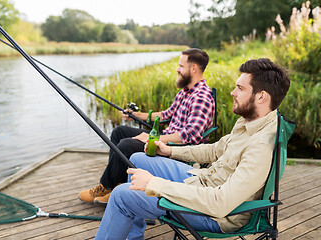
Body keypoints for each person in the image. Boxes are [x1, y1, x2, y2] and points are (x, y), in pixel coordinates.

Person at [94, 58, 291, 239]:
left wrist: (156, 184)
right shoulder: (250, 122)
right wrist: (170, 151)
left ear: (261, 97)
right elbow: (215, 150)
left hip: (214, 215)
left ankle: (128, 210)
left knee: (121, 195)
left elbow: (221, 203)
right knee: (138, 158)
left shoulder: (260, 146)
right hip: (204, 181)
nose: (233, 92)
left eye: (240, 88)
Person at [79, 48, 215, 204]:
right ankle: (117, 184)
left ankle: (106, 186)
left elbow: (191, 135)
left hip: (175, 150)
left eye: (181, 66)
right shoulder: (186, 92)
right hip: (164, 140)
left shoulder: (201, 96)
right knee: (119, 132)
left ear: (193, 68)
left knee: (125, 145)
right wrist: (138, 115)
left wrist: (154, 138)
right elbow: (166, 114)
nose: (177, 69)